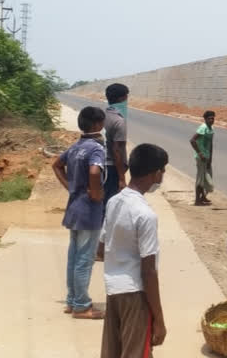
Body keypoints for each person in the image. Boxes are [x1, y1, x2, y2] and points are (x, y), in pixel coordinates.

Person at [99, 143, 168, 358]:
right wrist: (159, 319)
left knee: (113, 352)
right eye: (163, 170)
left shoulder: (114, 202)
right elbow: (149, 271)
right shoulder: (145, 215)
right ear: (155, 173)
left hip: (113, 290)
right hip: (135, 294)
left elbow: (100, 250)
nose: (163, 175)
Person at [52, 106, 107, 320]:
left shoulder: (76, 147)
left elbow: (56, 164)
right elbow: (95, 171)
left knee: (74, 257)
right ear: (96, 125)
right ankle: (82, 306)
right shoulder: (96, 148)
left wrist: (71, 187)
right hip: (88, 211)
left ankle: (72, 300)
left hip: (74, 208)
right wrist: (95, 193)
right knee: (84, 259)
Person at [104, 83, 129, 209]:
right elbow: (117, 150)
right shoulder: (119, 121)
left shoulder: (102, 117)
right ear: (121, 99)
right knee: (110, 206)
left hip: (101, 165)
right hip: (112, 169)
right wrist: (122, 178)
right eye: (126, 98)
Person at [190, 110, 215, 206]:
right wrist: (200, 153)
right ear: (205, 119)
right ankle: (197, 200)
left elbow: (211, 144)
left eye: (213, 118)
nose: (211, 120)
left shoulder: (211, 128)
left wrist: (210, 159)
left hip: (207, 157)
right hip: (201, 158)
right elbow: (192, 140)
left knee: (208, 178)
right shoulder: (203, 128)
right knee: (200, 179)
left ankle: (203, 197)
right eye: (209, 118)